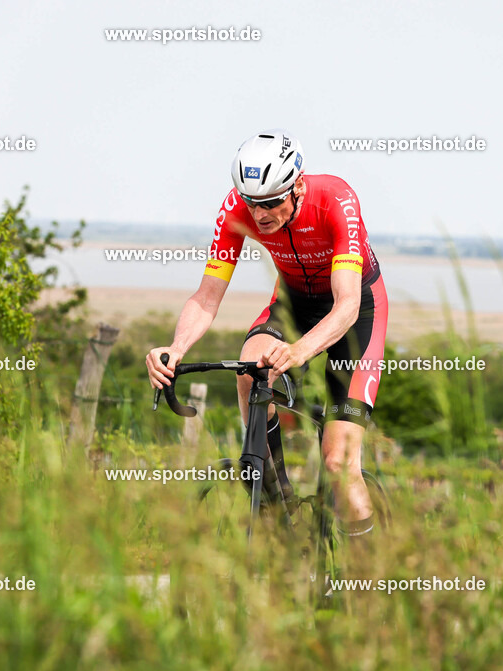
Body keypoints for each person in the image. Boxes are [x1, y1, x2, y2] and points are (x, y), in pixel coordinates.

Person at [146, 129, 388, 554]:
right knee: (250, 365)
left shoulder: (335, 199)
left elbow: (346, 306)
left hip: (355, 311)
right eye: (253, 203)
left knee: (338, 461)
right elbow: (206, 296)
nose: (261, 216)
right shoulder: (236, 209)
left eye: (273, 202)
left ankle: (370, 580)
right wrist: (176, 348)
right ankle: (276, 502)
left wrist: (297, 352)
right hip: (294, 303)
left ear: (297, 186)